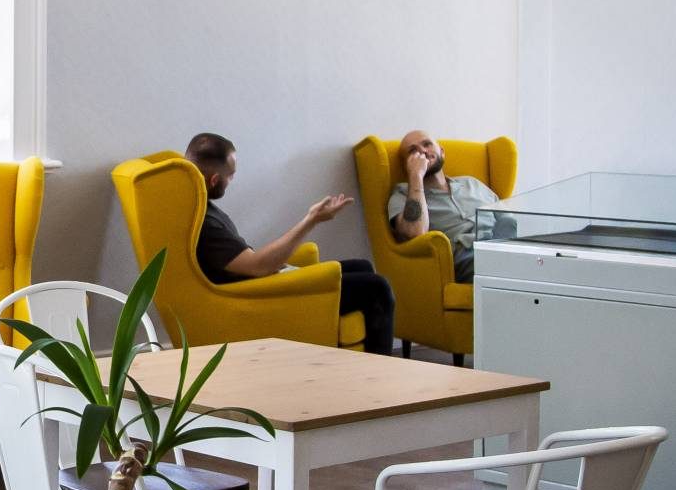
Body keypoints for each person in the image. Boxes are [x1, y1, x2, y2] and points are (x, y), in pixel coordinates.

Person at [184, 132, 397, 355]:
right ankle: (379, 376)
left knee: (361, 266)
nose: (232, 180)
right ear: (214, 180)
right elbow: (258, 267)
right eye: (231, 175)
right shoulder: (206, 224)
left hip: (262, 282)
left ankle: (348, 361)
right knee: (377, 288)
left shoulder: (199, 206)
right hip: (260, 294)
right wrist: (311, 219)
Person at [387, 129, 500, 281]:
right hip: (468, 256)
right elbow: (415, 231)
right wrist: (416, 175)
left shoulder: (471, 183)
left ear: (442, 152)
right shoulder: (402, 195)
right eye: (413, 151)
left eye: (427, 144)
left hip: (503, 245)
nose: (422, 151)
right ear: (407, 164)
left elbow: (508, 218)